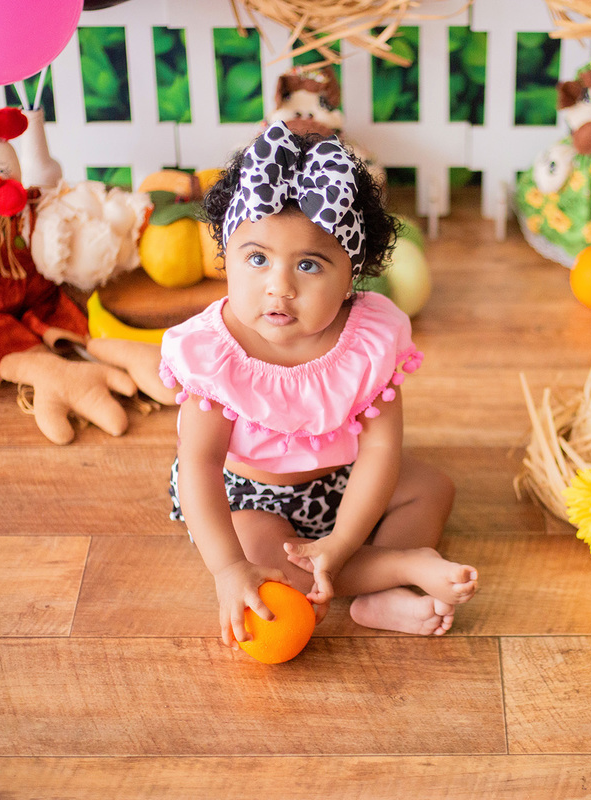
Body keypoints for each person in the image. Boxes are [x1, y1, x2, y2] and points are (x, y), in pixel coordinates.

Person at [160, 122, 477, 649]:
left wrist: (345, 536)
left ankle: (379, 592)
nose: (278, 286)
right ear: (226, 254)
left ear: (352, 276)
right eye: (257, 258)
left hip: (344, 481)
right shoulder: (212, 356)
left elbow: (380, 450)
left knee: (430, 488)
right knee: (263, 563)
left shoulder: (368, 342)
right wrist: (227, 569)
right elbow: (199, 464)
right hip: (248, 494)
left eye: (308, 265)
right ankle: (402, 567)